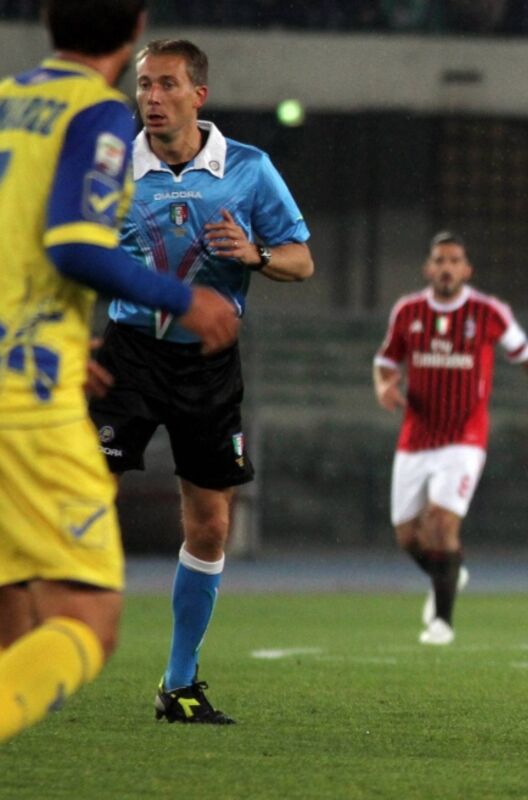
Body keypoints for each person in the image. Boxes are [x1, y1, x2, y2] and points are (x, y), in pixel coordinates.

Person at [0, 0, 239, 743]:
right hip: (25, 396)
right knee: (89, 618)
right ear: (133, 30)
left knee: (11, 598)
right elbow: (75, 244)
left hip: (35, 360)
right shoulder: (96, 115)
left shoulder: (7, 102)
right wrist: (184, 299)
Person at [86, 38, 314, 724]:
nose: (151, 98)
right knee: (75, 499)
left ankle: (179, 684)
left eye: (166, 85)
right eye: (143, 85)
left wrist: (256, 254)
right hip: (128, 354)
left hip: (208, 363)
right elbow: (69, 256)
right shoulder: (110, 167)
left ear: (198, 95)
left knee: (210, 524)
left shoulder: (248, 168)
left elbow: (301, 260)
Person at [373, 231, 528, 645]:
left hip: (465, 437)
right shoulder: (407, 311)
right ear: (428, 268)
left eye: (454, 261)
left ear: (466, 269)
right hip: (416, 436)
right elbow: (386, 361)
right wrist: (384, 385)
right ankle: (450, 573)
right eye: (439, 260)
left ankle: (441, 623)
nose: (446, 268)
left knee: (441, 524)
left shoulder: (488, 312)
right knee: (408, 536)